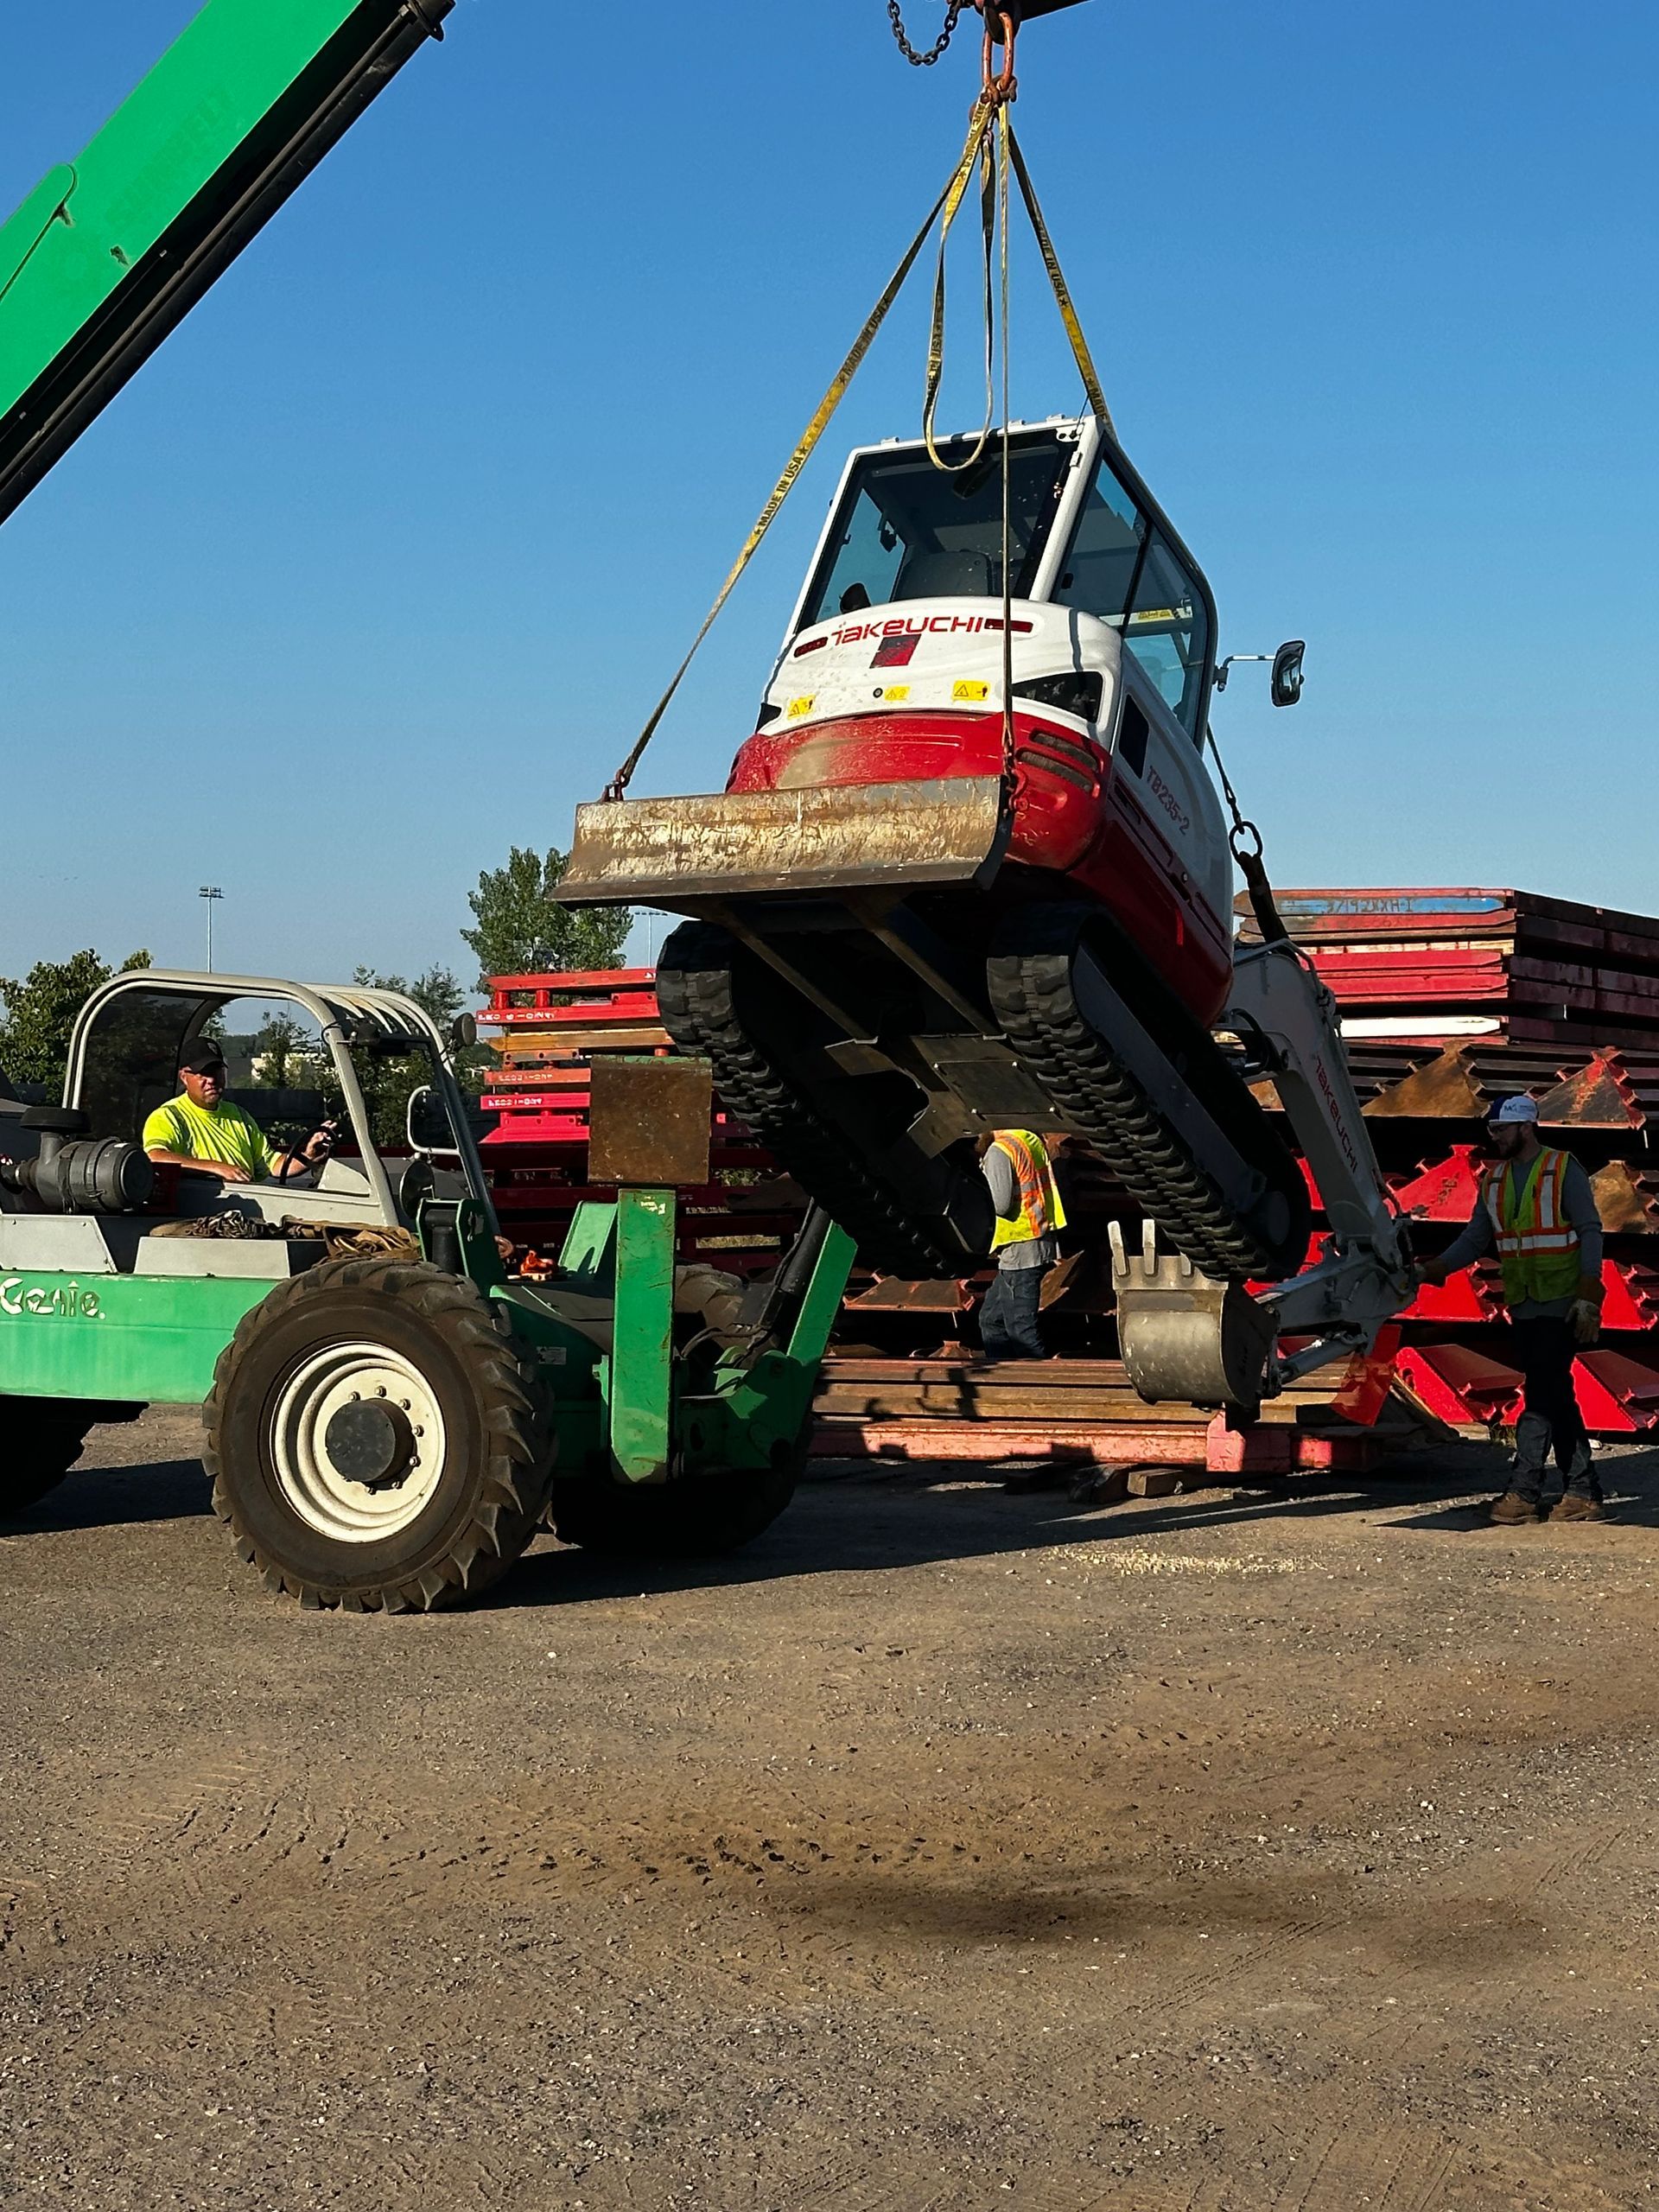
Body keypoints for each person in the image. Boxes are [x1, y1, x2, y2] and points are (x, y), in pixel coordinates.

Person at [1415, 1094, 1605, 1523]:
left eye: (1501, 1129)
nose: (1494, 1137)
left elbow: (1591, 1231)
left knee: (1540, 1394)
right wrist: (1433, 1269)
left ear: (1525, 1126)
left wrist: (1589, 1295)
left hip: (1563, 1303)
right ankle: (1583, 1492)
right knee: (1555, 1394)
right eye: (1491, 1130)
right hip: (1524, 1304)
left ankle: (1523, 1492)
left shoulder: (1562, 1169)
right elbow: (1474, 1239)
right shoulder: (1495, 1180)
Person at [143, 1041, 331, 1186]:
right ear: (184, 1077)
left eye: (217, 1072)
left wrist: (308, 1156)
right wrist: (218, 1168)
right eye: (203, 1073)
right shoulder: (169, 1116)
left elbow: (273, 1164)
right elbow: (155, 1157)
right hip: (200, 1213)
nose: (212, 1080)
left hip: (246, 1212)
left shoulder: (239, 1115)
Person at [977, 1127, 1066, 1360]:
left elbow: (1000, 1205)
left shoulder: (999, 1150)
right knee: (991, 1319)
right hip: (1037, 1238)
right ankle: (1002, 1379)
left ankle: (1036, 1385)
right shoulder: (1029, 1141)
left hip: (1020, 1247)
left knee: (1020, 1329)